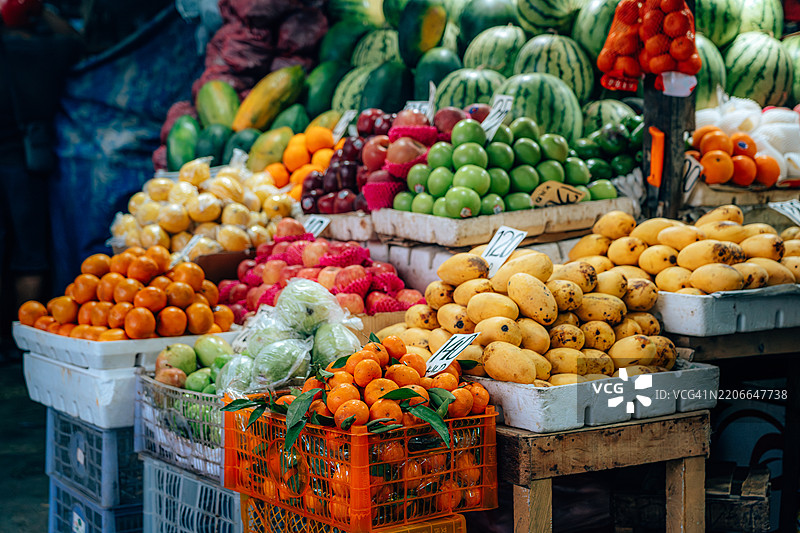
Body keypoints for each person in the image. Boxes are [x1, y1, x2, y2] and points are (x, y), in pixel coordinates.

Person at [0, 1, 82, 362]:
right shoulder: (45, 46)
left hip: (20, 161)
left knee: (24, 256)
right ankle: (26, 344)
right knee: (29, 256)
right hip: (25, 160)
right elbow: (77, 40)